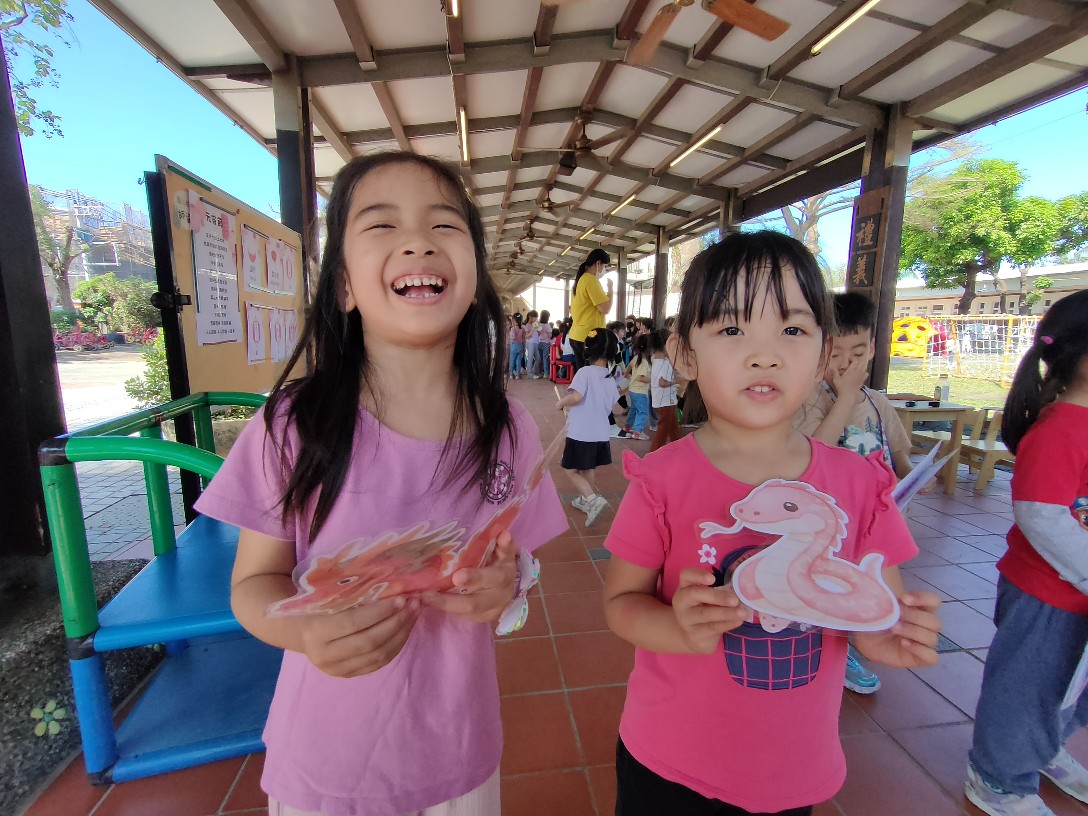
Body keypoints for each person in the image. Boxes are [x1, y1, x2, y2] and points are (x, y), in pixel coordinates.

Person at [194, 152, 568, 816]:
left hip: (459, 755)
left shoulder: (509, 428)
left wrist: (506, 587)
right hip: (327, 765)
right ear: (343, 284)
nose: (418, 241)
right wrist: (303, 632)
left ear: (474, 280)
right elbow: (253, 586)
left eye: (444, 225)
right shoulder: (295, 424)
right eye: (382, 224)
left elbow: (518, 568)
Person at [602, 230, 942, 816]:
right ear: (685, 355)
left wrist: (886, 635)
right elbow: (621, 604)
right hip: (668, 760)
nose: (766, 355)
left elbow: (875, 603)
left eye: (792, 330)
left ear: (824, 353)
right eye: (733, 330)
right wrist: (678, 628)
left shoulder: (860, 485)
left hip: (792, 767)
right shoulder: (660, 480)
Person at [965, 290, 1088, 816]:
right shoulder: (1060, 430)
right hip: (1046, 596)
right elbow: (1041, 515)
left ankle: (1042, 747)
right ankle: (997, 778)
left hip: (1075, 593)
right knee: (1026, 688)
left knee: (1067, 687)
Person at [794, 291, 916, 696]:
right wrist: (844, 398)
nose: (846, 364)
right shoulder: (812, 401)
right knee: (832, 587)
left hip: (875, 522)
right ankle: (834, 651)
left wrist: (913, 475)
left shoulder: (878, 403)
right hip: (832, 525)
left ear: (873, 350)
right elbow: (814, 455)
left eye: (858, 353)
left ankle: (856, 639)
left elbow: (899, 454)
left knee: (869, 586)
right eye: (836, 354)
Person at [556, 327, 620, 527]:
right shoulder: (609, 377)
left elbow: (576, 397)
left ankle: (593, 500)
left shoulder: (584, 372)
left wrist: (561, 402)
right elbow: (612, 404)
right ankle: (585, 499)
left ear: (588, 349)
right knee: (587, 467)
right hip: (600, 433)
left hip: (581, 432)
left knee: (570, 469)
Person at [569, 248, 614, 369]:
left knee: (582, 375)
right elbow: (606, 309)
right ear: (598, 263)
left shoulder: (579, 280)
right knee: (592, 375)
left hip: (576, 335)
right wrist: (610, 290)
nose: (603, 269)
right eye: (604, 266)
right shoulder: (590, 280)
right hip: (589, 336)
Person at [649, 328, 681, 452]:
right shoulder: (661, 361)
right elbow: (662, 383)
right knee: (664, 429)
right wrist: (676, 381)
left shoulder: (658, 359)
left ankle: (678, 448)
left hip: (667, 399)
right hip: (665, 400)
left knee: (672, 426)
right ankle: (654, 453)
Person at [618, 333, 652, 441]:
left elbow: (628, 368)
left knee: (633, 410)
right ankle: (638, 432)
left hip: (633, 390)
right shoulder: (644, 362)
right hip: (640, 392)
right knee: (643, 412)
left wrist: (627, 374)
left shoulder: (637, 358)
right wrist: (653, 380)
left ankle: (627, 427)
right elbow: (640, 378)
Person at [508, 312, 526, 380]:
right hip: (520, 345)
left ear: (514, 320)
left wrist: (511, 333)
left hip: (514, 345)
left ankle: (511, 375)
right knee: (518, 361)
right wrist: (524, 348)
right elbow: (524, 339)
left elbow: (512, 337)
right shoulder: (523, 329)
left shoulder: (513, 328)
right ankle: (518, 375)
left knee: (512, 360)